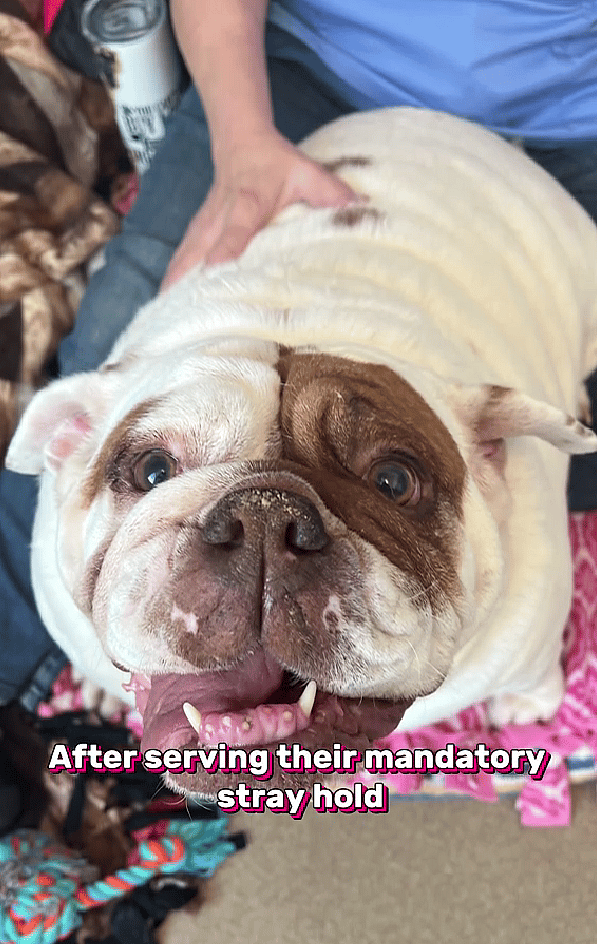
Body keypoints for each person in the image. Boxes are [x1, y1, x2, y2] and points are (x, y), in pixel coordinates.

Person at [2, 0, 597, 711]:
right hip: (307, 66)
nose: (265, 541)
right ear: (66, 433)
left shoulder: (518, 577)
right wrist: (241, 140)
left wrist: (518, 669)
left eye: (391, 481)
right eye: (154, 470)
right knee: (114, 318)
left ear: (491, 448)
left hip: (572, 119)